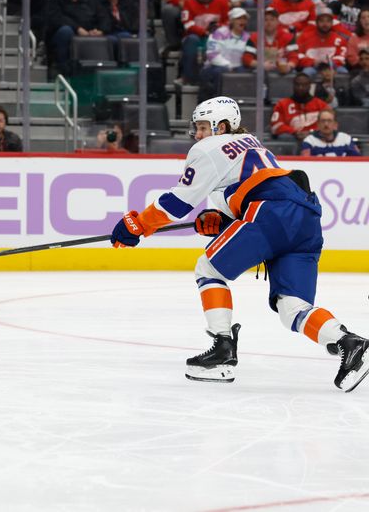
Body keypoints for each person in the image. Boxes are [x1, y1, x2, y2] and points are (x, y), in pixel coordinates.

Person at [110, 96, 369, 392]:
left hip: (271, 212)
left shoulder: (208, 148)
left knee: (209, 268)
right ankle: (349, 342)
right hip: (305, 218)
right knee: (292, 308)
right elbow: (249, 192)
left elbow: (177, 203)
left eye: (204, 126)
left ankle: (222, 349)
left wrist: (138, 225)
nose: (198, 133)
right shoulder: (251, 142)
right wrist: (221, 219)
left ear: (222, 125)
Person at [44, 0, 106, 77]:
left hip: (90, 33)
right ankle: (63, 69)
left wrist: (100, 30)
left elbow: (103, 16)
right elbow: (57, 19)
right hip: (65, 34)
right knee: (65, 31)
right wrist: (78, 28)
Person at [178, 0, 230, 85]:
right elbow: (187, 23)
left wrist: (218, 29)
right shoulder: (189, 3)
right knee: (192, 40)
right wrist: (203, 32)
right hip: (195, 37)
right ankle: (189, 78)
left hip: (216, 37)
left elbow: (227, 21)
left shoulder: (222, 2)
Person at [199, 7, 251, 101]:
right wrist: (227, 65)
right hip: (214, 68)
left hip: (237, 69)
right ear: (231, 21)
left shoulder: (248, 37)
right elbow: (212, 55)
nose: (242, 21)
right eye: (239, 18)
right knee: (221, 71)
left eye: (244, 18)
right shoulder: (220, 33)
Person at [271, 72, 330, 140]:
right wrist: (295, 132)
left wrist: (311, 133)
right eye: (297, 84)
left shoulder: (321, 105)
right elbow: (275, 126)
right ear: (293, 85)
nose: (300, 88)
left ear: (309, 86)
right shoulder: (282, 104)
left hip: (315, 138)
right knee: (284, 137)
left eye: (304, 85)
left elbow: (329, 125)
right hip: (293, 137)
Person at [243, 6, 299, 74]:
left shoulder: (289, 37)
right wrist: (261, 65)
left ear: (278, 21)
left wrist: (288, 67)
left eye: (272, 19)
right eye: (266, 20)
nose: (269, 22)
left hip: (282, 72)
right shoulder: (254, 37)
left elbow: (294, 57)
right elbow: (246, 58)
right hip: (260, 71)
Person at [296, 6, 348, 76]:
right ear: (316, 22)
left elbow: (342, 57)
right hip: (312, 66)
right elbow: (298, 55)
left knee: (344, 72)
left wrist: (330, 63)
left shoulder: (339, 38)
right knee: (305, 74)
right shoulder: (304, 37)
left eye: (328, 21)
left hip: (333, 66)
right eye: (321, 21)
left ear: (332, 23)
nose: (325, 24)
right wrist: (313, 62)